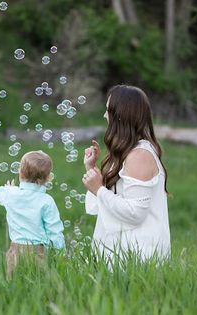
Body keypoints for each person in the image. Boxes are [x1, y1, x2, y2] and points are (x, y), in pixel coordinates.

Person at [82, 85, 171, 264]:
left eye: (108, 110)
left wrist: (99, 189)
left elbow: (135, 213)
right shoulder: (126, 151)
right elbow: (101, 207)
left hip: (139, 258)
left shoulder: (140, 155)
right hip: (121, 256)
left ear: (120, 115)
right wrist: (91, 169)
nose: (104, 115)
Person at [0, 151, 65, 277]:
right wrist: (61, 253)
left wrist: (9, 189)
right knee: (39, 283)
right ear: (48, 178)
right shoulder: (47, 201)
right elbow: (54, 230)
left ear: (20, 173)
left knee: (14, 283)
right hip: (38, 251)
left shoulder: (11, 195)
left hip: (15, 250)